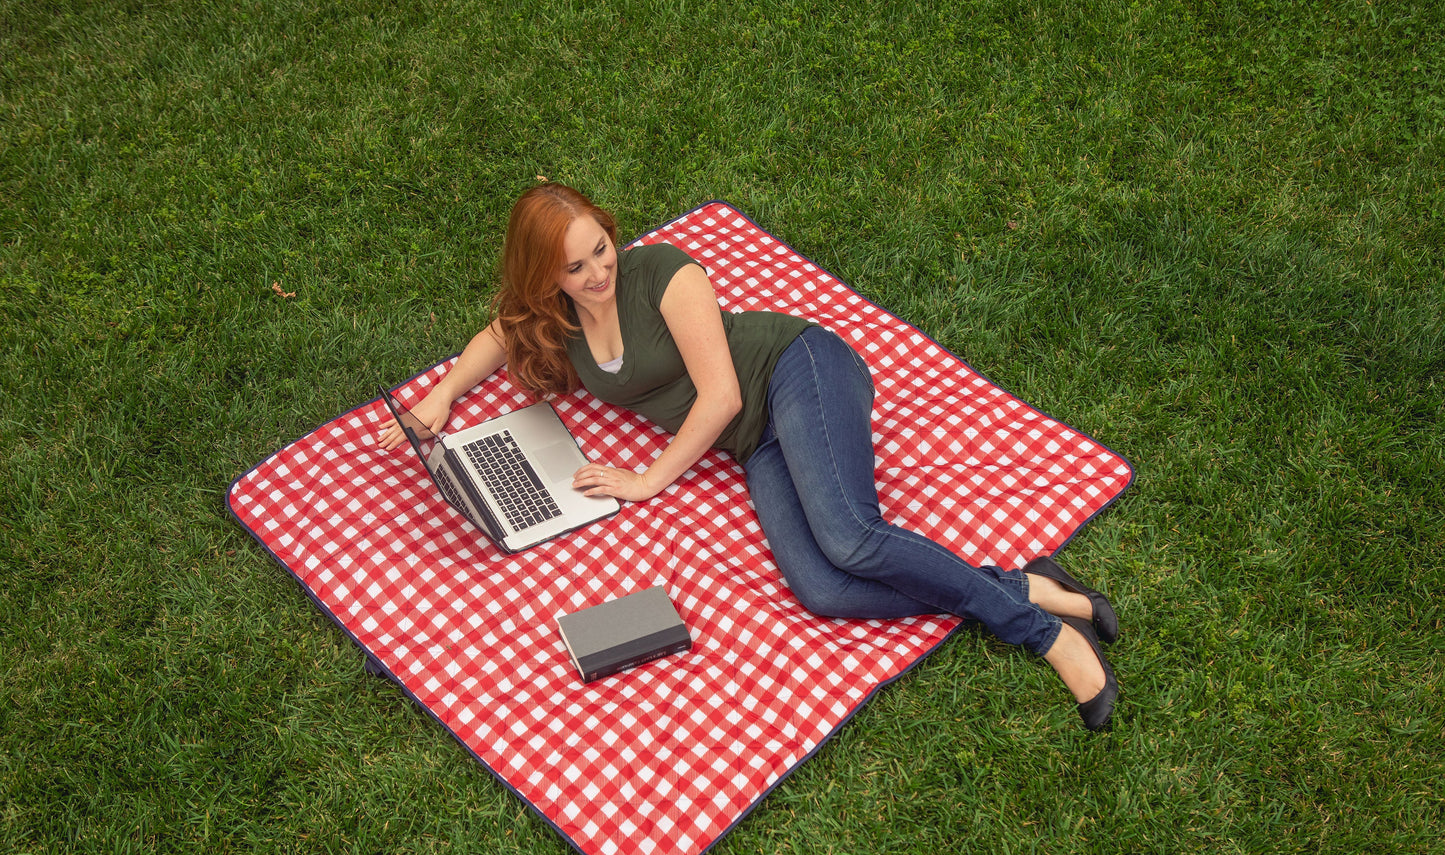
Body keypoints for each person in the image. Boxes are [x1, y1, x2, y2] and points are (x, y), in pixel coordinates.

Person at [378, 183, 1120, 730]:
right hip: (756, 440)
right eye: (574, 267)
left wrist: (647, 480)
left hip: (797, 370)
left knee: (850, 537)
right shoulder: (556, 318)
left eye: (599, 248)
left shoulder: (666, 274)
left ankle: (1043, 633)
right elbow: (497, 335)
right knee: (823, 592)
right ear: (547, 277)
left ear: (611, 234)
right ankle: (1023, 586)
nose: (597, 273)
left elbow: (722, 396)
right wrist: (439, 399)